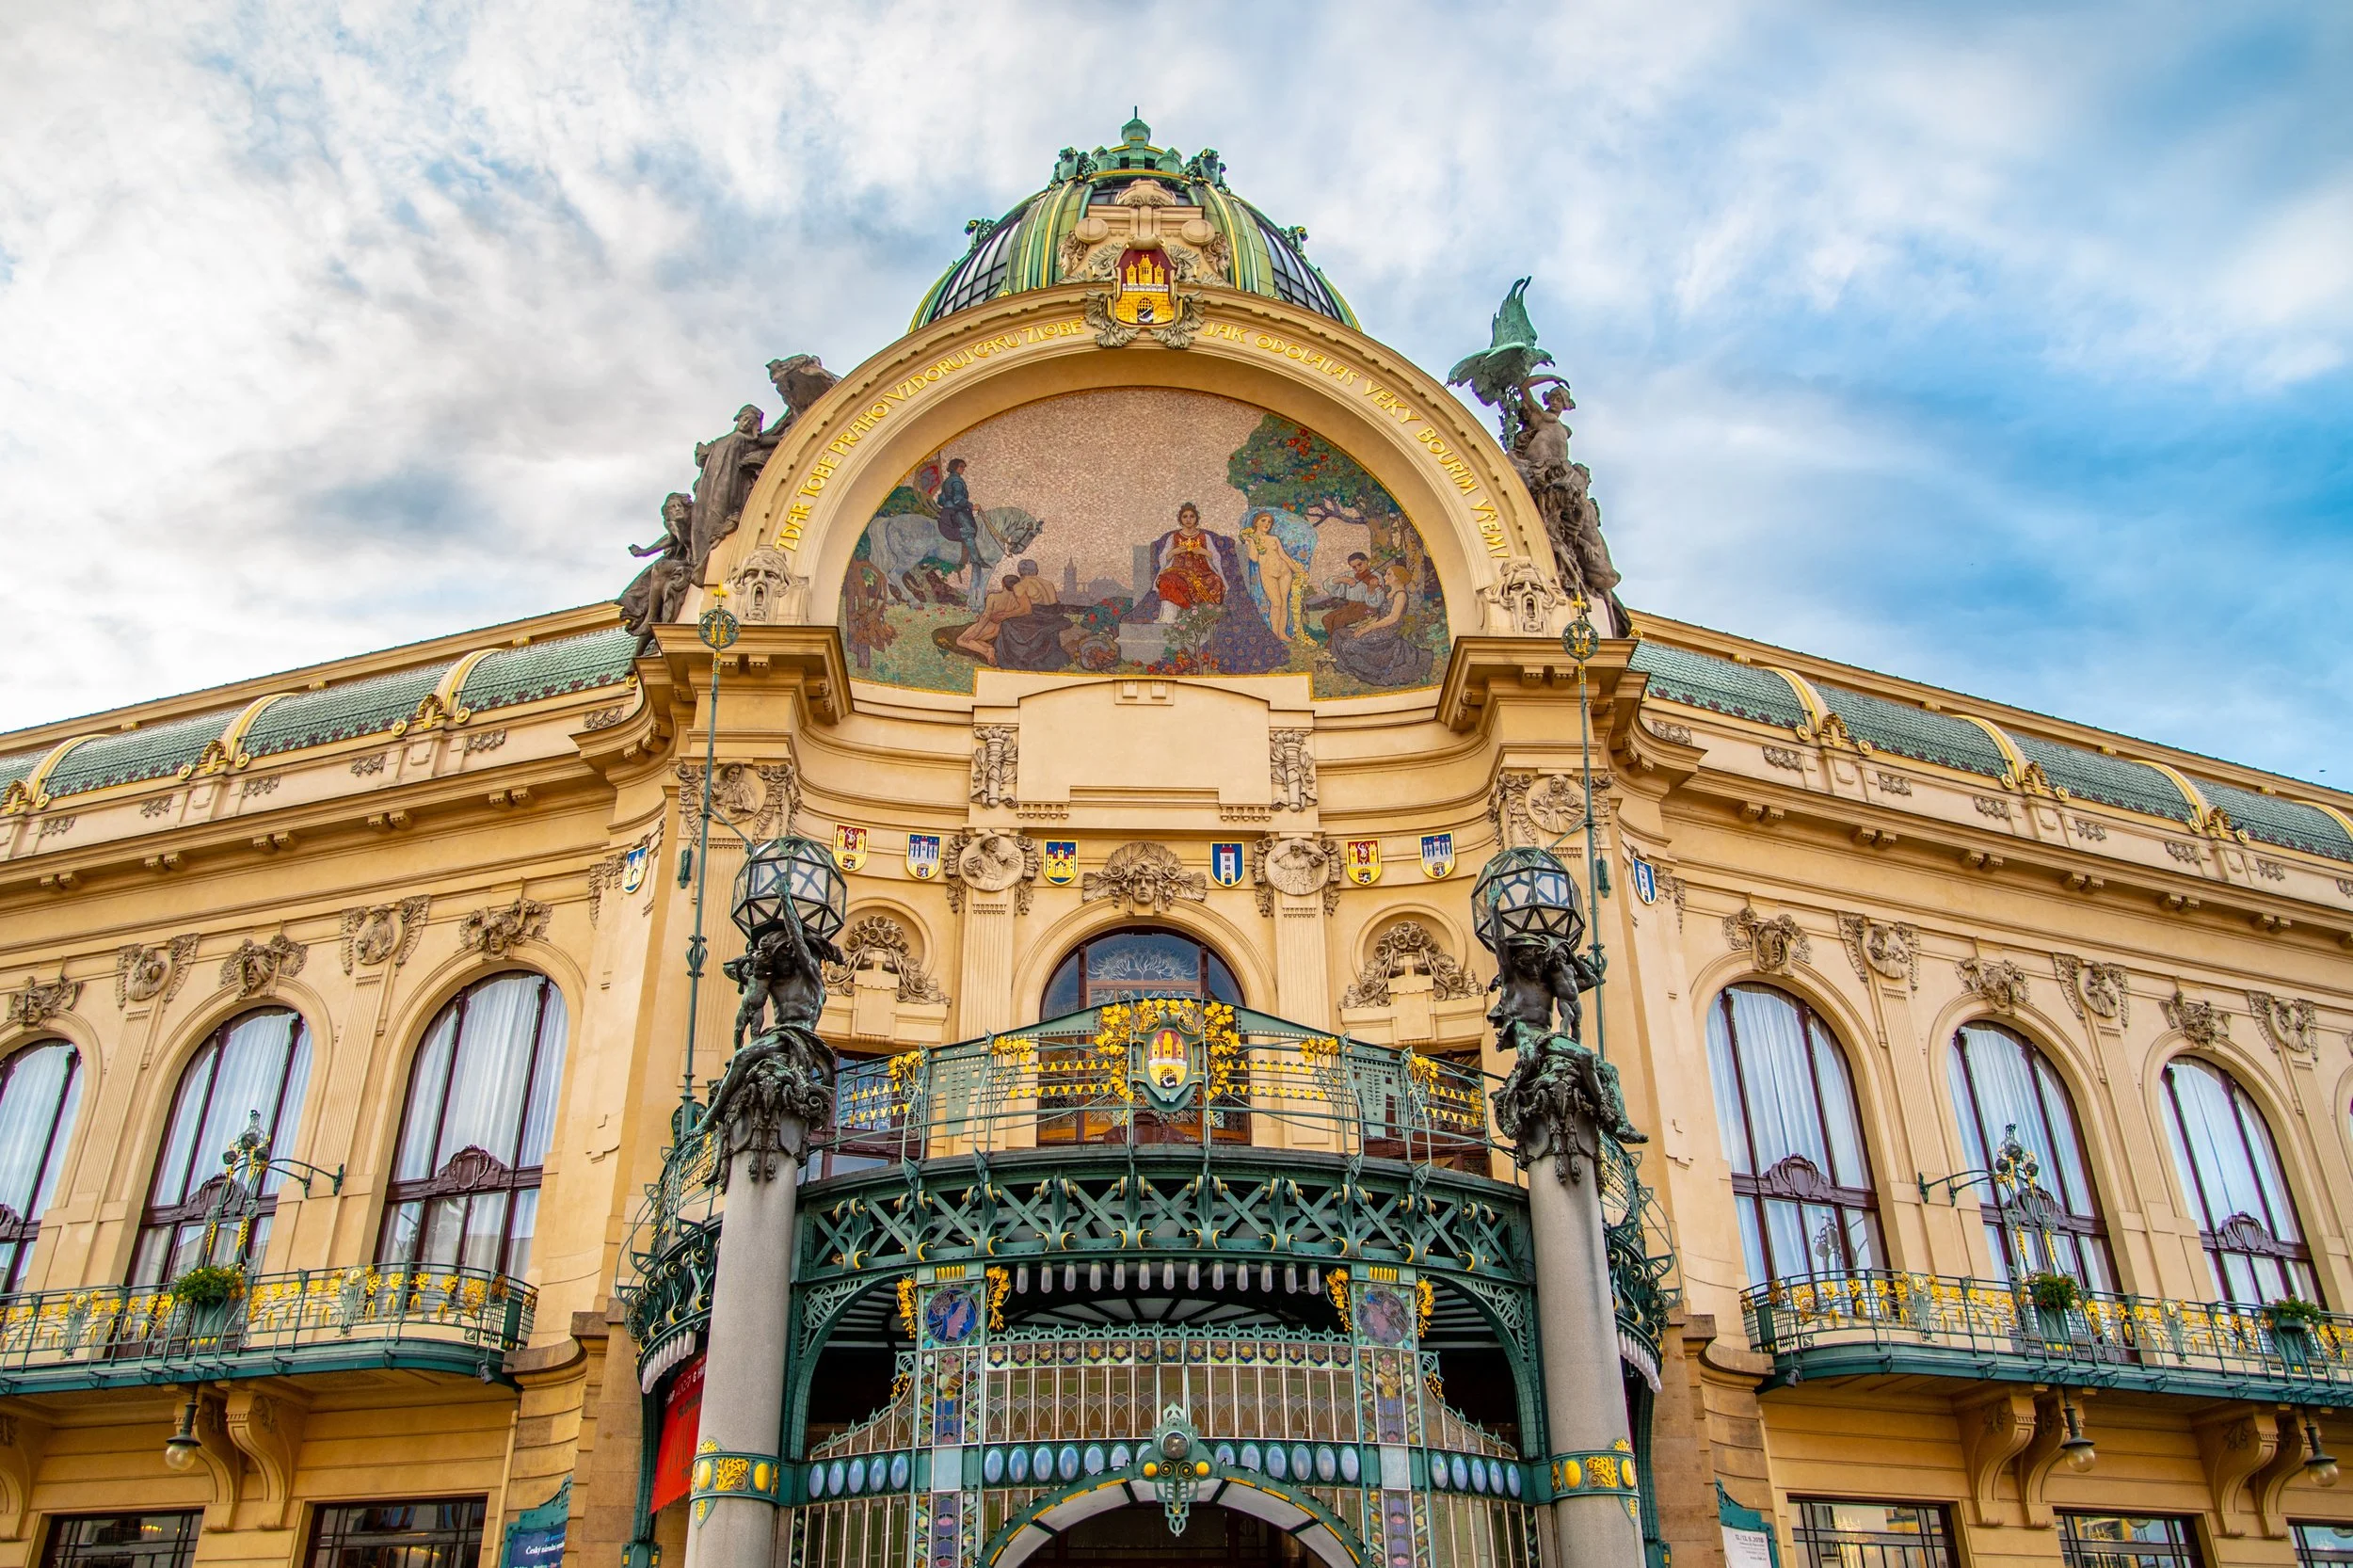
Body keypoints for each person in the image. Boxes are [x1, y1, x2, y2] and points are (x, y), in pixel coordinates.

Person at [1328, 560, 1433, 687]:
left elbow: (1393, 618)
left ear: (1398, 578)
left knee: (1349, 645)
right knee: (1338, 634)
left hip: (1388, 632)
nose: (1384, 577)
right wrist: (1364, 626)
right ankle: (1348, 669)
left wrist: (1368, 629)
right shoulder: (1388, 593)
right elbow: (1380, 616)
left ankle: (1375, 673)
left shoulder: (1401, 595)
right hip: (1377, 628)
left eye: (1389, 574)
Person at [1239, 509, 1313, 639]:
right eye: (1263, 521)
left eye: (1269, 522)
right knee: (1276, 603)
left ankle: (1282, 634)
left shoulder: (1274, 539)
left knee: (1284, 603)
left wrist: (1299, 571)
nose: (1267, 524)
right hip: (1268, 574)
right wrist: (1251, 542)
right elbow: (1254, 558)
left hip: (1285, 572)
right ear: (1256, 523)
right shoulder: (1251, 540)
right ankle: (1274, 635)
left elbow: (1284, 556)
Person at [955, 574, 1026, 664]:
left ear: (1003, 584)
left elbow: (986, 616)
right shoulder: (1017, 601)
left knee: (960, 640)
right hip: (997, 630)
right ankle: (990, 649)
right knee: (977, 641)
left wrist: (975, 632)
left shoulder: (993, 597)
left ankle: (986, 652)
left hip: (987, 626)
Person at [933, 457, 979, 577]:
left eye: (963, 467)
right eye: (961, 466)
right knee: (969, 530)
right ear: (954, 467)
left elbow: (942, 499)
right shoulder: (957, 481)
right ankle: (975, 559)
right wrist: (971, 506)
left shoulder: (948, 481)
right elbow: (958, 499)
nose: (963, 469)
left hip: (947, 511)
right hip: (955, 512)